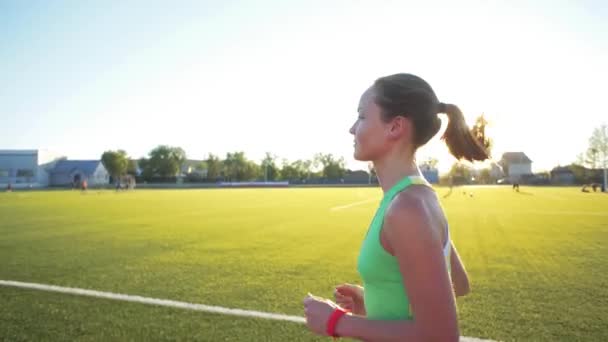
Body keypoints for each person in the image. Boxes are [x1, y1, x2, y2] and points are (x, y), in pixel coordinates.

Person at [303, 73, 488, 341]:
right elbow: (457, 283)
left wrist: (336, 321)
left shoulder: (407, 208)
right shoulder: (416, 196)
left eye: (362, 116)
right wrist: (376, 300)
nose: (353, 128)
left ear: (395, 127)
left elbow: (441, 336)